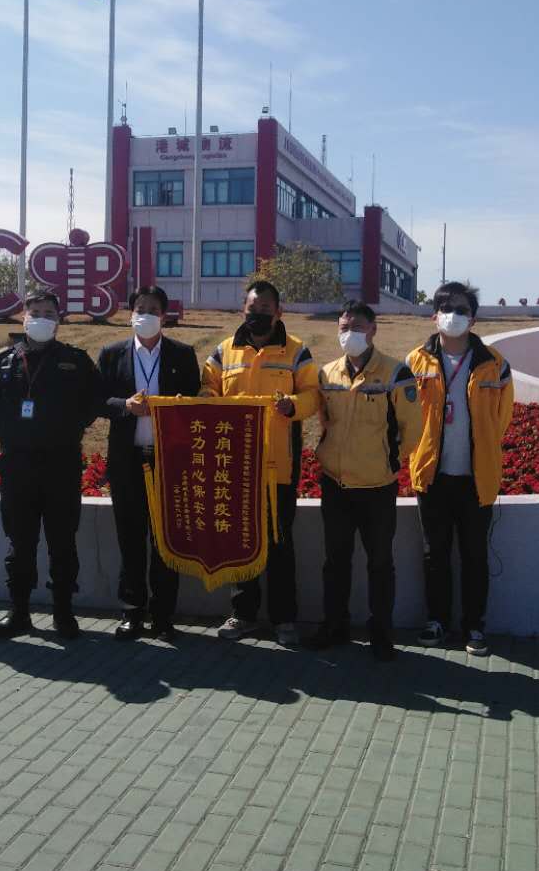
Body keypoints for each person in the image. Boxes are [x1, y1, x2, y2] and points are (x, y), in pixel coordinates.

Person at [201, 279, 320, 646]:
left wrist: (293, 406)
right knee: (241, 541)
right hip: (235, 464)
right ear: (244, 309)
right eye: (253, 309)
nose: (258, 314)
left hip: (278, 465)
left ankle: (284, 619)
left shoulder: (296, 351)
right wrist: (209, 399)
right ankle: (243, 614)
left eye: (266, 309)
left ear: (278, 312)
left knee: (280, 543)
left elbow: (313, 395)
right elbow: (207, 388)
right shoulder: (224, 351)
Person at [0, 291, 103, 640]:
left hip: (60, 464)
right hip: (18, 464)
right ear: (24, 317)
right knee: (19, 542)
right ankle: (18, 613)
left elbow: (91, 403)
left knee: (62, 542)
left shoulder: (75, 360)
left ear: (59, 319)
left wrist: (64, 428)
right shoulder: (3, 361)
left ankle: (63, 613)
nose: (41, 319)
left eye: (49, 313)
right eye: (34, 312)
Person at [308, 300, 423, 661]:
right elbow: (324, 420)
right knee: (335, 561)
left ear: (373, 330)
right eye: (344, 328)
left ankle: (382, 633)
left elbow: (413, 429)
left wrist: (389, 462)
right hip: (336, 484)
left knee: (380, 563)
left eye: (357, 327)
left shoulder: (396, 373)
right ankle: (334, 625)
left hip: (377, 487)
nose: (350, 334)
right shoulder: (327, 374)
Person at [406, 281, 514, 656]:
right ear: (434, 315)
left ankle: (474, 625)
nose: (454, 315)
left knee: (474, 555)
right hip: (432, 476)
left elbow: (502, 419)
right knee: (435, 553)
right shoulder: (415, 361)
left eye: (462, 309)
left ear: (474, 318)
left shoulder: (495, 364)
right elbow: (404, 414)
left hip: (476, 478)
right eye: (446, 308)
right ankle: (436, 620)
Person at [97, 286, 201, 640]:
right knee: (130, 538)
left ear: (164, 315)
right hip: (127, 460)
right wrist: (124, 406)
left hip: (168, 461)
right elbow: (97, 400)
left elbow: (195, 401)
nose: (146, 315)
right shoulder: (112, 354)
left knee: (166, 542)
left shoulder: (182, 355)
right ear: (130, 314)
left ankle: (163, 615)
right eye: (140, 308)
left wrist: (179, 405)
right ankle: (132, 612)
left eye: (153, 309)